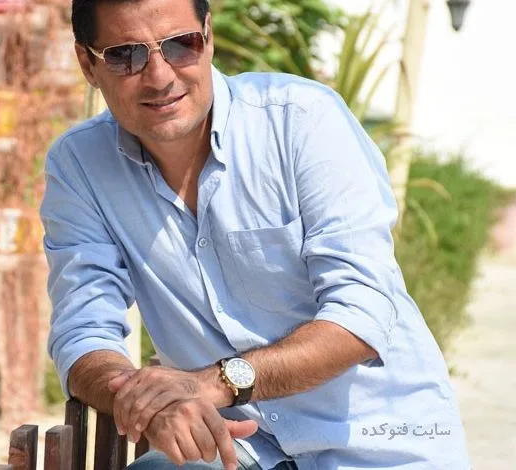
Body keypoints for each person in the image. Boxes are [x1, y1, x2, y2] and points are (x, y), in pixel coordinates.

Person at [39, 0, 472, 468]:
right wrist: (144, 400)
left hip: (382, 448)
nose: (160, 77)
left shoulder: (302, 121)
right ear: (88, 64)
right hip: (237, 449)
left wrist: (214, 384)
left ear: (208, 36)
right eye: (126, 55)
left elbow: (362, 314)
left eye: (181, 44)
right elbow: (83, 330)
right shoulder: (80, 166)